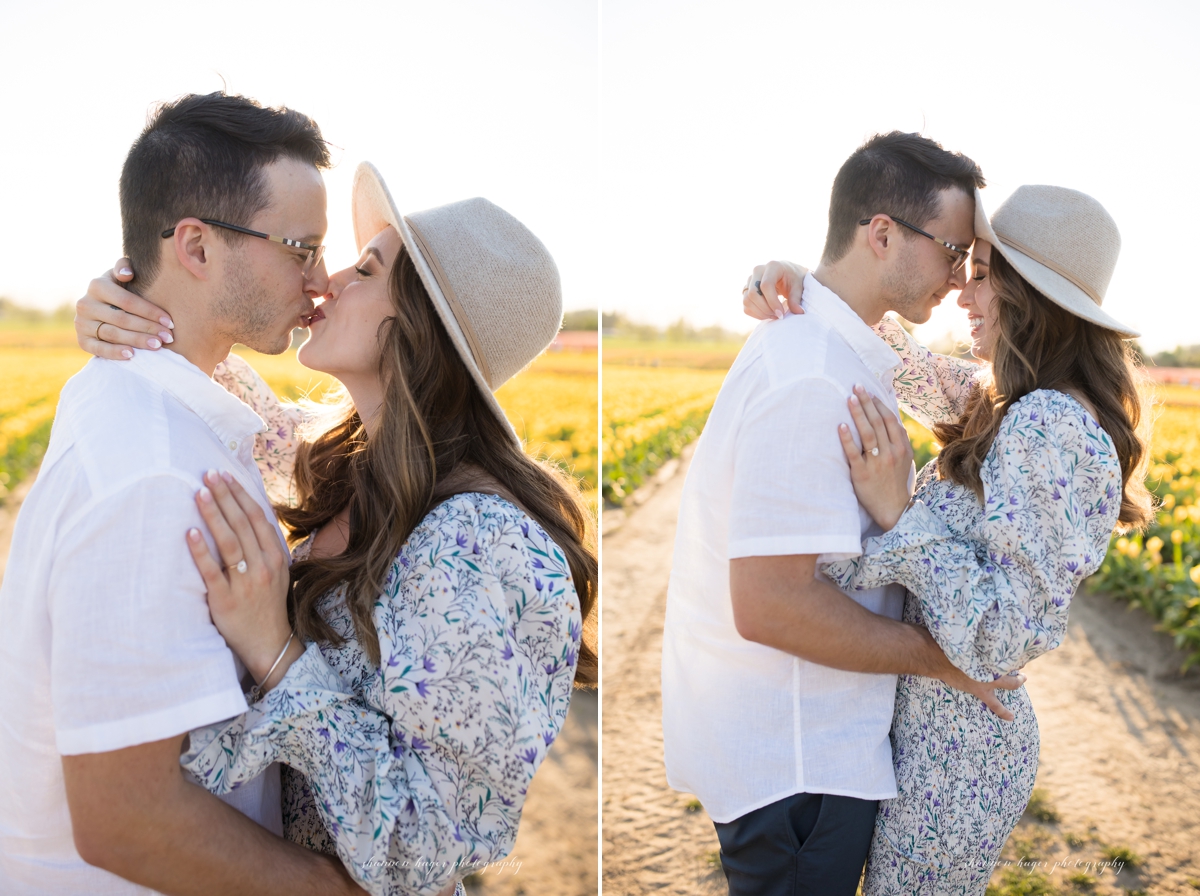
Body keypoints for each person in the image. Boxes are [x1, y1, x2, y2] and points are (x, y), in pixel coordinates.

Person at [74, 162, 597, 896]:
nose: (326, 281)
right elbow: (209, 374)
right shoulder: (343, 461)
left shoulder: (480, 543)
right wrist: (124, 303)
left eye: (367, 268)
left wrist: (276, 650)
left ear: (420, 326)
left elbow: (425, 848)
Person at [0, 91, 378, 895]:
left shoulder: (174, 406)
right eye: (300, 248)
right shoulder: (153, 476)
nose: (320, 283)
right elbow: (125, 817)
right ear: (198, 250)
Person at [742, 184, 1150, 893]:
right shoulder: (1010, 406)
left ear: (1033, 301)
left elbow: (1003, 632)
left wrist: (903, 514)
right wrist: (809, 285)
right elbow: (907, 366)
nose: (963, 291)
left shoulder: (1048, 424)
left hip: (960, 759)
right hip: (934, 733)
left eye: (985, 275)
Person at [658, 131, 1024, 896]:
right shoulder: (813, 376)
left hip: (812, 753)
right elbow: (770, 605)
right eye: (954, 252)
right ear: (883, 232)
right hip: (802, 761)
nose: (960, 281)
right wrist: (938, 661)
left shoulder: (840, 353)